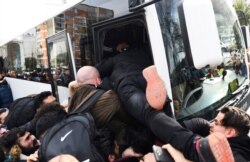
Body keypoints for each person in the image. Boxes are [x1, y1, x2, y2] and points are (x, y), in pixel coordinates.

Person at [127, 65, 250, 162]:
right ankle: (161, 104)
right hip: (176, 139)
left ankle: (158, 106)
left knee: (184, 139)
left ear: (230, 132)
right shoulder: (225, 140)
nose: (212, 124)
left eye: (217, 123)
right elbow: (182, 130)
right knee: (178, 132)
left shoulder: (236, 156)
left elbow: (185, 140)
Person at [96, 42, 171, 124]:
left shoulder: (116, 58)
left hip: (128, 84)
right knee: (162, 105)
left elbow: (99, 70)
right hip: (146, 79)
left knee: (148, 113)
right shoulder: (144, 53)